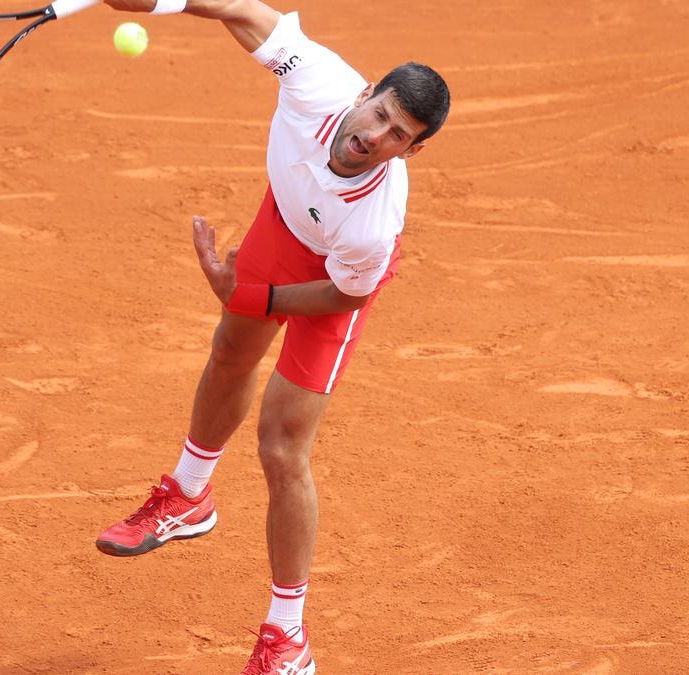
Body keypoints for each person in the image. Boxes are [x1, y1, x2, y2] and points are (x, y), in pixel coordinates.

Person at [95, 0, 450, 672]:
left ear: (413, 149)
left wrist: (250, 295)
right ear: (367, 91)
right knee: (231, 349)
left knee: (282, 445)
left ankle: (287, 637)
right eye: (380, 112)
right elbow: (236, 8)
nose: (375, 135)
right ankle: (188, 494)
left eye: (398, 135)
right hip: (285, 222)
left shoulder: (373, 226)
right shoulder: (316, 78)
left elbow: (345, 293)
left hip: (336, 279)